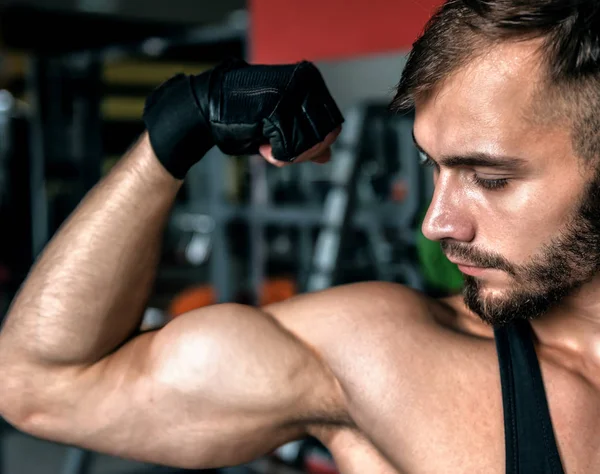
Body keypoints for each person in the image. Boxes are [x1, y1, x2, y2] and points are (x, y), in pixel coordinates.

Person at [0, 0, 599, 472]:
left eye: (490, 179)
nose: (437, 223)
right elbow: (40, 385)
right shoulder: (385, 359)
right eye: (432, 167)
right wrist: (174, 133)